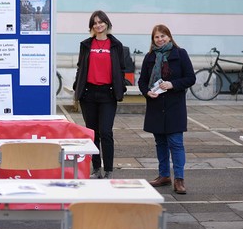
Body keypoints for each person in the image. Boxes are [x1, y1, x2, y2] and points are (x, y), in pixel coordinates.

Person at [138, 24, 195, 194]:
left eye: (163, 36)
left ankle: (179, 179)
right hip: (156, 105)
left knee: (176, 143)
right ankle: (164, 175)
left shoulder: (180, 54)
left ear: (169, 37)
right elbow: (142, 81)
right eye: (157, 37)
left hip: (174, 106)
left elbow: (190, 78)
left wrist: (172, 84)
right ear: (153, 39)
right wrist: (147, 92)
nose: (160, 39)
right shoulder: (149, 57)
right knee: (160, 143)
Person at [72, 10, 126, 179]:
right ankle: (96, 169)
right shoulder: (86, 45)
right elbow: (81, 67)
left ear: (107, 24)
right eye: (94, 23)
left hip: (108, 94)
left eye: (101, 22)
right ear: (91, 27)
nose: (98, 25)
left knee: (106, 132)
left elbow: (121, 68)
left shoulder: (116, 45)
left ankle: (108, 169)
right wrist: (77, 86)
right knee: (93, 133)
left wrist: (120, 86)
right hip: (88, 94)